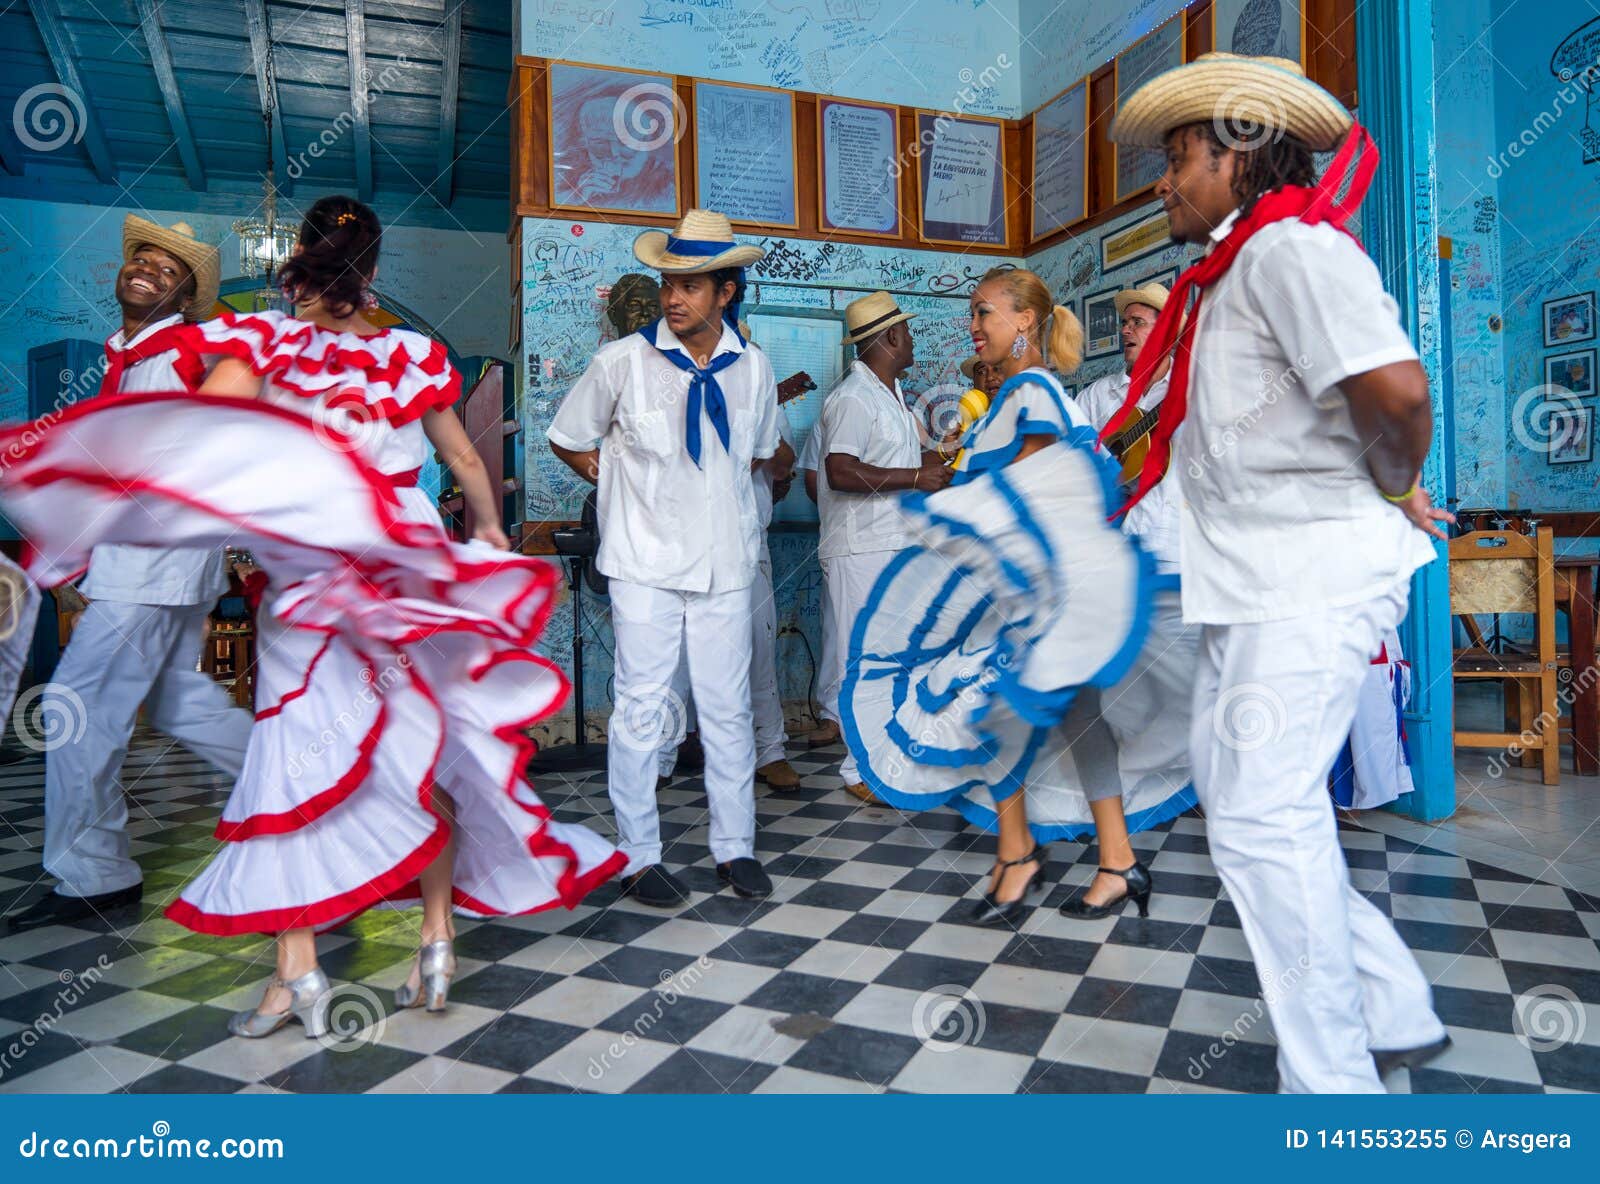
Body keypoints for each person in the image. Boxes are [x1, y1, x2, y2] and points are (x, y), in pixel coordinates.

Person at [0, 195, 625, 1033]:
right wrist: (486, 538)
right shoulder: (411, 352)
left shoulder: (267, 342)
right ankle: (436, 943)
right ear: (373, 270)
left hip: (313, 583)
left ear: (300, 256)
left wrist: (86, 481)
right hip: (408, 580)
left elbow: (197, 435)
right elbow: (466, 459)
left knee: (289, 763)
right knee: (420, 755)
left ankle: (295, 972)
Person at [1109, 52, 1451, 1091]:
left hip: (1309, 578)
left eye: (1178, 159)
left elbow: (1395, 394)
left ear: (1241, 155)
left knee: (1260, 818)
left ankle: (1333, 1089)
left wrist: (1394, 487)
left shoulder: (1291, 250)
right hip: (1252, 584)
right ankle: (1389, 1005)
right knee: (1247, 798)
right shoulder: (1227, 273)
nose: (1161, 182)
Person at [840, 269, 1186, 926]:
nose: (974, 326)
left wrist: (946, 508)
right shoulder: (1030, 395)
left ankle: (1029, 853)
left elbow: (1036, 497)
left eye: (984, 312)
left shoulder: (1032, 393)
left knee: (1003, 711)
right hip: (1040, 595)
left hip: (1044, 596)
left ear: (1025, 321)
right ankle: (1106, 859)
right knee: (1068, 719)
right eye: (973, 314)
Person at [5, 216, 254, 934]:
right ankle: (318, 802)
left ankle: (94, 877)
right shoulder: (137, 358)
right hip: (158, 564)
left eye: (167, 268)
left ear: (184, 295)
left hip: (150, 565)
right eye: (141, 259)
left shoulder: (177, 356)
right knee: (184, 709)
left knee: (77, 717)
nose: (147, 268)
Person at [548, 210, 780, 908]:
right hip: (644, 563)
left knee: (728, 708)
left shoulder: (755, 368)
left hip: (726, 565)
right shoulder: (618, 363)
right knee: (643, 710)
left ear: (726, 291)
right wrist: (615, 484)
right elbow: (567, 435)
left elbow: (759, 453)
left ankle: (734, 849)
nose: (671, 297)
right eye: (666, 281)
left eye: (689, 284)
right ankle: (638, 855)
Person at [1067, 282, 1201, 918]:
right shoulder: (1099, 395)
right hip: (1119, 561)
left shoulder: (1191, 391)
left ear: (1169, 329)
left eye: (1143, 320)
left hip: (1182, 556)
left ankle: (1176, 792)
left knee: (1188, 691)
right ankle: (1116, 835)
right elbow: (1082, 467)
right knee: (1106, 694)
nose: (1129, 330)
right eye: (1124, 322)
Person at [817, 292, 949, 805]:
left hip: (891, 547)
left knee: (893, 660)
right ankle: (857, 771)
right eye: (908, 332)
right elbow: (840, 471)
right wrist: (917, 476)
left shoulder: (891, 395)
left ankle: (886, 762)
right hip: (859, 550)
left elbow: (924, 454)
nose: (912, 339)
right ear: (892, 336)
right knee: (862, 662)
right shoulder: (853, 397)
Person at [657, 323, 801, 792]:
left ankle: (770, 751)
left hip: (744, 544)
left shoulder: (759, 381)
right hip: (685, 544)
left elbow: (783, 463)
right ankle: (658, 758)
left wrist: (757, 425)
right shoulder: (671, 382)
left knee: (756, 651)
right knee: (674, 658)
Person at [795, 425, 842, 749]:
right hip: (845, 535)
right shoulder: (838, 410)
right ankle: (832, 716)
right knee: (835, 630)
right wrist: (838, 509)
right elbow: (813, 479)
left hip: (891, 539)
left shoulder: (905, 416)